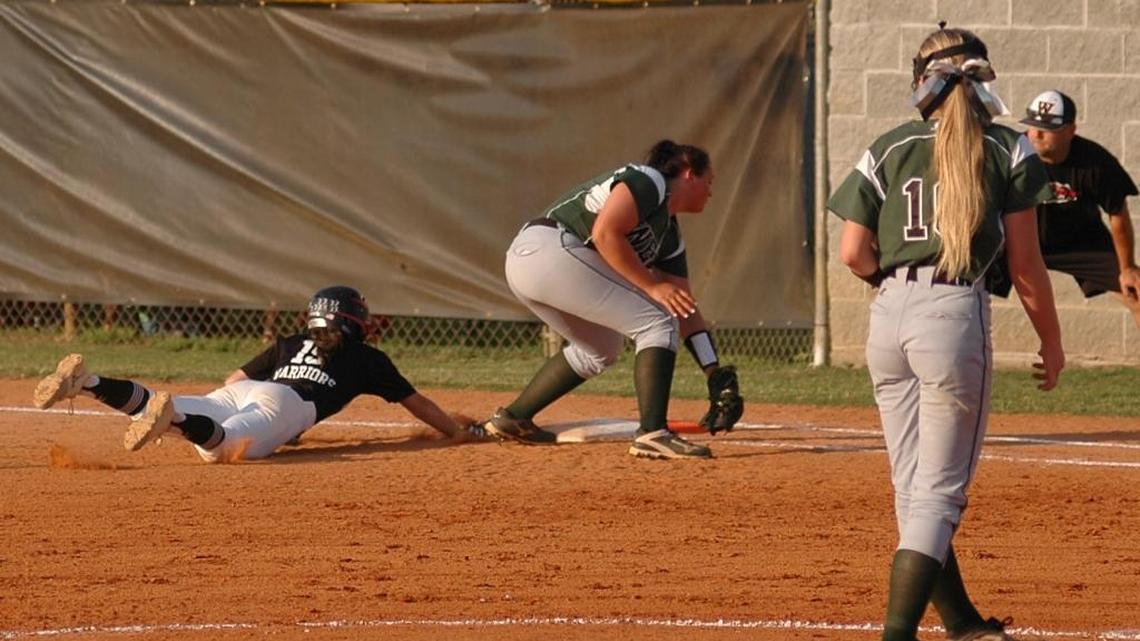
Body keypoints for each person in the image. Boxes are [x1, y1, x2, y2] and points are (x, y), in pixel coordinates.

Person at [828, 27, 1064, 641]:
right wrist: (1052, 342)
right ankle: (897, 633)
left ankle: (960, 622)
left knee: (912, 489)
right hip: (953, 314)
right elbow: (1025, 264)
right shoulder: (1009, 147)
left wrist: (895, 282)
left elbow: (853, 253)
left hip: (888, 316)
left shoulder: (887, 146)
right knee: (936, 495)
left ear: (921, 83)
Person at [482, 139, 743, 460]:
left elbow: (685, 307)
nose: (711, 191)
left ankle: (513, 418)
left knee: (601, 350)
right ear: (689, 172)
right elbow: (606, 233)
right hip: (547, 249)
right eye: (709, 181)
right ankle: (653, 433)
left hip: (538, 264)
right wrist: (652, 286)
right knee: (657, 322)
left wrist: (714, 373)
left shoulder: (669, 236)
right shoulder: (651, 180)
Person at [32, 286, 484, 462]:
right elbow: (418, 405)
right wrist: (456, 433)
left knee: (165, 405)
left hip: (245, 391)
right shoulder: (367, 358)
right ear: (353, 321)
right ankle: (175, 422)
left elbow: (233, 380)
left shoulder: (288, 342)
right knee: (222, 450)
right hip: (288, 404)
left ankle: (89, 384)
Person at [1018, 89, 1140, 325]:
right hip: (1021, 239)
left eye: (1049, 128)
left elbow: (1117, 213)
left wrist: (1127, 267)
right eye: (1033, 125)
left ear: (1070, 130)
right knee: (967, 283)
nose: (1037, 133)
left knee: (1136, 291)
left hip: (1081, 241)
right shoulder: (1012, 153)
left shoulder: (1095, 162)